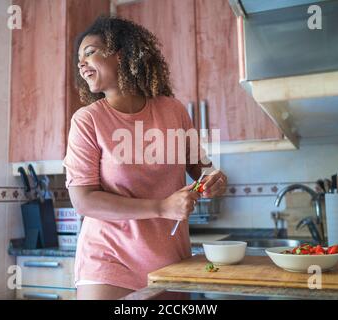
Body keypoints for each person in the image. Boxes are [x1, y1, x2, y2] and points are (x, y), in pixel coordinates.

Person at [63, 15, 227, 300]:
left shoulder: (173, 111)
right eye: (79, 58)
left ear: (121, 54)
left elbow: (204, 169)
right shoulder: (87, 121)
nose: (80, 64)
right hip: (108, 261)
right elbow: (84, 200)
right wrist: (162, 207)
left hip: (170, 263)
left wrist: (213, 180)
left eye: (89, 53)